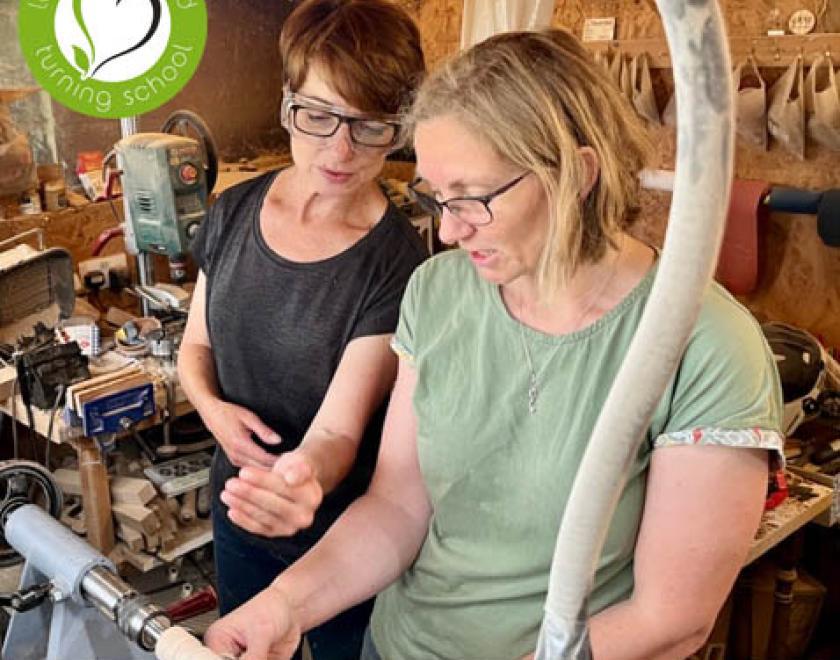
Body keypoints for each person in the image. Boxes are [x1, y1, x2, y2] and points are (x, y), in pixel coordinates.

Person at [204, 28, 783, 660]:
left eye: (471, 199)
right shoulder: (440, 292)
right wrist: (283, 606)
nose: (448, 231)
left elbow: (671, 619)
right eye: (436, 197)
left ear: (575, 174)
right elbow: (397, 508)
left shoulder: (705, 345)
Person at [177, 1, 426, 658]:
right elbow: (195, 348)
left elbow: (340, 431)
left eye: (368, 126)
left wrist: (304, 479)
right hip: (241, 508)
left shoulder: (398, 261)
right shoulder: (232, 211)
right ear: (288, 103)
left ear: (398, 128)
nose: (338, 150)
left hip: (344, 533)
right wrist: (213, 412)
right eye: (317, 116)